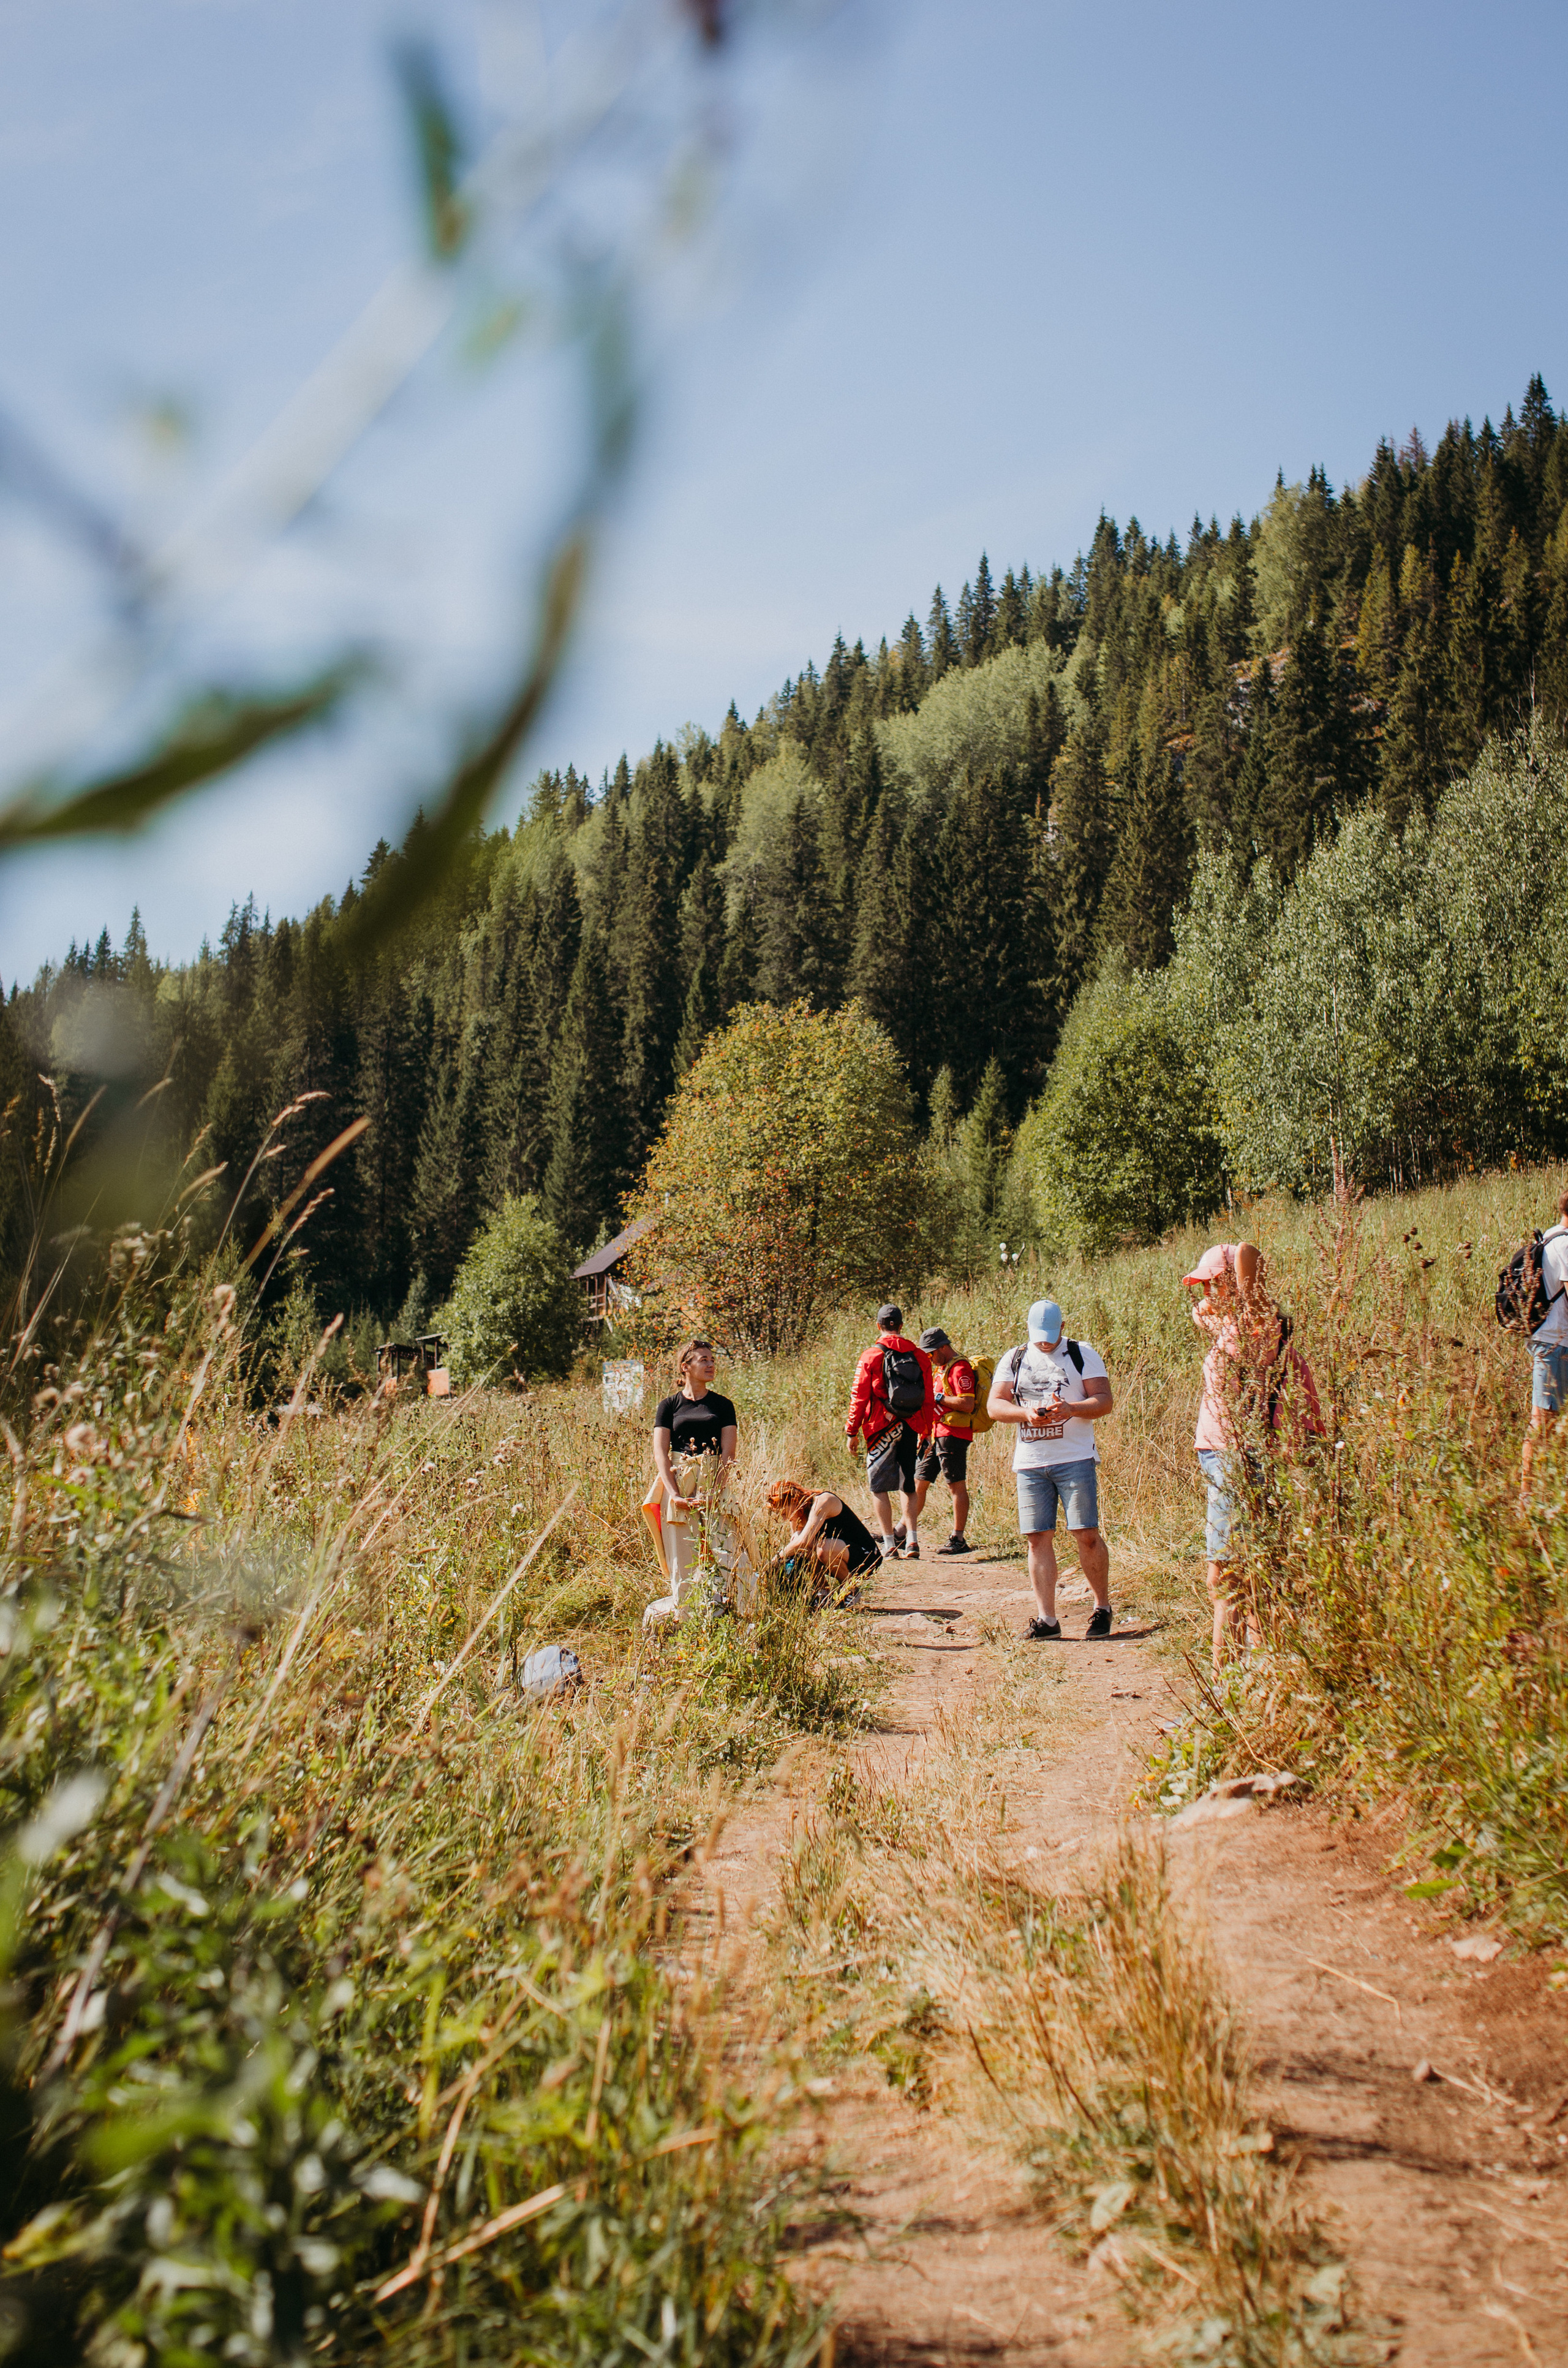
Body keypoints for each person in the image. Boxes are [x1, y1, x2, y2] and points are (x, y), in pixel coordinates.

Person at [1183, 1241, 1322, 1669]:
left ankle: (1229, 1688)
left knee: (1229, 1578)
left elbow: (1249, 1255)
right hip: (1231, 1458)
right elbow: (1203, 1313)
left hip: (1239, 1459)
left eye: (1211, 1284)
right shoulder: (1236, 1328)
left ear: (1232, 1285)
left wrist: (1237, 1256)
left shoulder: (1255, 1325)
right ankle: (1256, 1678)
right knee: (1252, 1570)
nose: (1203, 1295)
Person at [987, 1299, 1114, 1639]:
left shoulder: (1082, 1354)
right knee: (1037, 1538)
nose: (1043, 1342)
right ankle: (1048, 1621)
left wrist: (1071, 1408)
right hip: (1030, 1463)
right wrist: (1025, 1414)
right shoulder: (1014, 1358)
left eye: (1049, 1335)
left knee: (1085, 1534)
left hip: (1074, 1459)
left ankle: (1101, 1609)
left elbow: (1104, 1400)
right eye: (1037, 1336)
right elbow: (994, 1406)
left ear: (1062, 1327)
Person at [646, 1340, 740, 1626]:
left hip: (714, 1480)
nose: (711, 1364)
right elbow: (660, 1453)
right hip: (679, 1479)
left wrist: (715, 1490)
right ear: (685, 1367)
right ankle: (686, 1619)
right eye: (704, 1360)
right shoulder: (668, 1405)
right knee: (682, 1554)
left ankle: (733, 1613)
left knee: (727, 1549)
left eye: (712, 1359)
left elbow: (729, 1453)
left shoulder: (723, 1405)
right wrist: (674, 1494)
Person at [844, 1302, 935, 1560]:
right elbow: (927, 1397)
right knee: (908, 1486)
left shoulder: (871, 1355)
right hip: (912, 1426)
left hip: (879, 1429)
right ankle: (913, 1541)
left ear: (879, 1326)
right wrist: (926, 1431)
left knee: (879, 1487)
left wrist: (852, 1432)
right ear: (902, 1326)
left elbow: (859, 1396)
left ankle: (888, 1544)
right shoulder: (919, 1355)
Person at [1519, 1187, 1568, 1507]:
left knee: (1550, 1423)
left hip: (1550, 1341)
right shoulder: (1566, 1244)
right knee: (1541, 1421)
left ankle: (1545, 1494)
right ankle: (1527, 1500)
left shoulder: (1551, 1235)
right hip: (1553, 1345)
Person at [913, 1326, 975, 1555]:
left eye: (931, 1353)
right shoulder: (941, 1369)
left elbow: (968, 1404)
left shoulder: (960, 1368)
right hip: (937, 1434)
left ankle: (958, 1538)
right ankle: (903, 1531)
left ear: (943, 1347)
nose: (929, 1357)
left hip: (953, 1436)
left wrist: (939, 1396)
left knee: (955, 1486)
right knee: (919, 1482)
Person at [766, 1478, 882, 1597]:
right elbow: (798, 1548)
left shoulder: (824, 1501)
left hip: (867, 1557)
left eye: (784, 1513)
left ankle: (851, 1591)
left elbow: (803, 1542)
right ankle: (823, 1593)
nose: (786, 1519)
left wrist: (775, 1559)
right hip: (839, 1557)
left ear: (794, 1501)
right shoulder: (797, 1514)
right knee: (798, 1540)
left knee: (823, 1548)